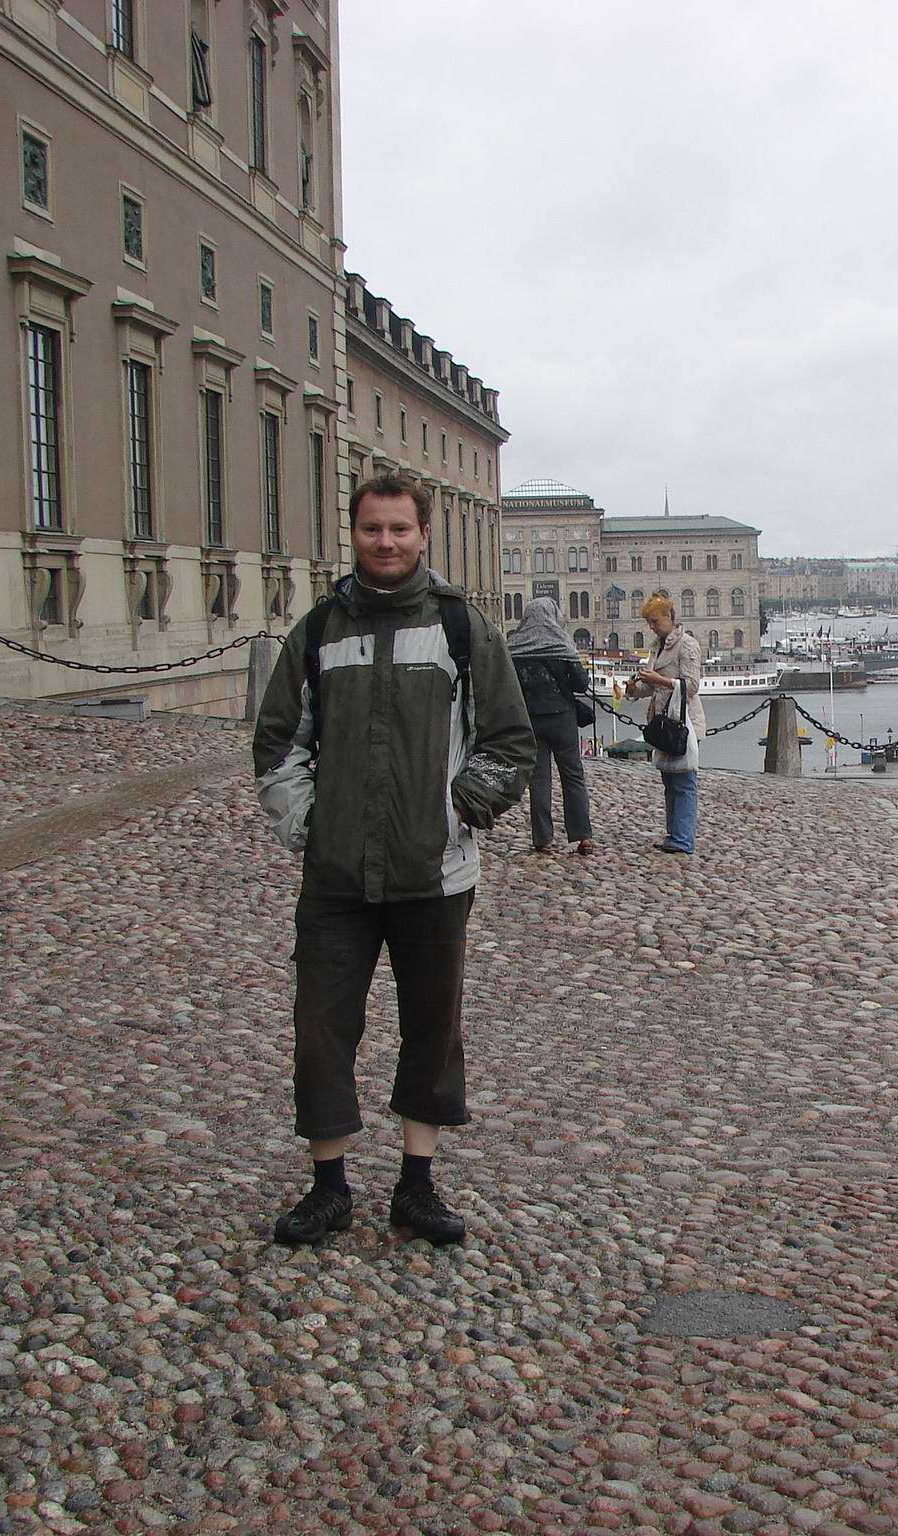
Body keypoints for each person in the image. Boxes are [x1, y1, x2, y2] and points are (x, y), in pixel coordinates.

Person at [252, 473, 534, 1248]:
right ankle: (328, 1187)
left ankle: (417, 1183)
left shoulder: (460, 628)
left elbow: (509, 741)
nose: (386, 542)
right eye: (372, 528)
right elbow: (278, 741)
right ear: (354, 533)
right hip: (337, 876)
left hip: (434, 874)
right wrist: (311, 825)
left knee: (432, 1028)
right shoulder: (319, 630)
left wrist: (459, 809)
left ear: (423, 535)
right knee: (321, 1028)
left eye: (399, 529)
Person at [508, 596, 596, 856]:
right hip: (562, 719)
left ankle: (543, 838)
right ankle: (582, 835)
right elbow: (581, 684)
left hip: (531, 719)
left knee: (539, 779)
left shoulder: (514, 646)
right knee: (573, 775)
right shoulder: (562, 644)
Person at [623, 593, 703, 854]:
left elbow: (691, 686)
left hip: (683, 723)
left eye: (655, 621)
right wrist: (634, 689)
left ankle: (683, 838)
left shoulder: (687, 645)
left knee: (684, 781)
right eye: (649, 622)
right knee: (670, 781)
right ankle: (674, 834)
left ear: (669, 617)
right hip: (663, 723)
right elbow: (652, 687)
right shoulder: (657, 647)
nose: (651, 627)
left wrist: (657, 680)